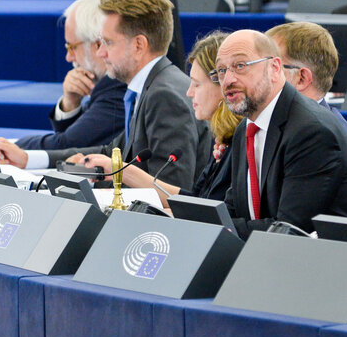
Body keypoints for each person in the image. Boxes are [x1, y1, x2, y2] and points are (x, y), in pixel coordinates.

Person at [0, 0, 210, 188]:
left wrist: (96, 184)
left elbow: (168, 189)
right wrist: (29, 159)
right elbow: (110, 152)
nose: (100, 52)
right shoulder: (151, 86)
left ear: (138, 45)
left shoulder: (163, 96)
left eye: (108, 42)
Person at [216, 29, 347, 240]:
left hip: (339, 261)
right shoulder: (246, 129)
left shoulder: (311, 131)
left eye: (240, 66)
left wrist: (219, 228)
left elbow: (288, 230)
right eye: (221, 70)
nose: (228, 80)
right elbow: (234, 208)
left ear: (275, 68)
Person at [89, 31, 241, 208]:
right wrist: (122, 171)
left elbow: (217, 215)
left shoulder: (239, 145)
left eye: (197, 84)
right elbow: (195, 201)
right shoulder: (222, 143)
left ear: (223, 86)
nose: (189, 92)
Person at [16, 0, 127, 150]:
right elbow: (75, 138)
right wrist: (70, 103)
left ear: (97, 45)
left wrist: (16, 146)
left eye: (72, 47)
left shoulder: (118, 87)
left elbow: (67, 145)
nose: (68, 57)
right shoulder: (109, 85)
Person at [265, 22, 347, 179]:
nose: (258, 76)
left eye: (272, 67)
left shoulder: (322, 139)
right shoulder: (287, 126)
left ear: (301, 78)